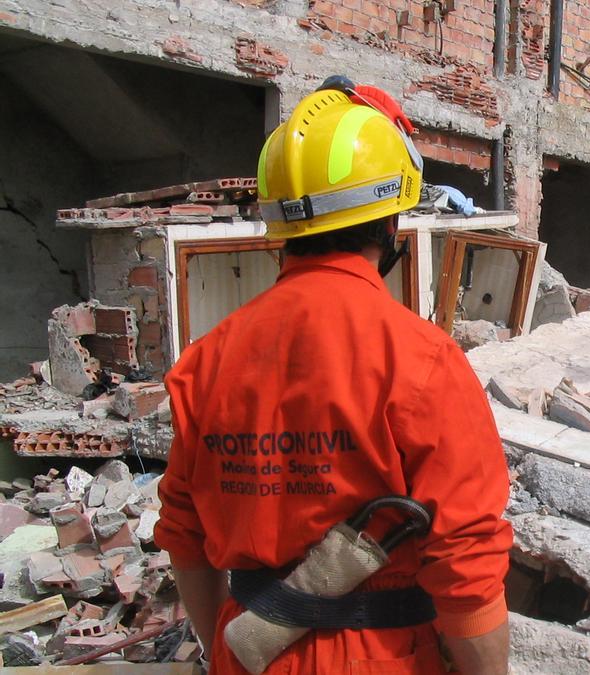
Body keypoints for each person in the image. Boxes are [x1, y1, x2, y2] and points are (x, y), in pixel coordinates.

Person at [155, 79, 513, 674]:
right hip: (382, 657)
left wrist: (239, 643)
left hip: (247, 650)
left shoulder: (205, 361)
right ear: (389, 221)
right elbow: (466, 565)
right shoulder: (419, 359)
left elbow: (185, 538)